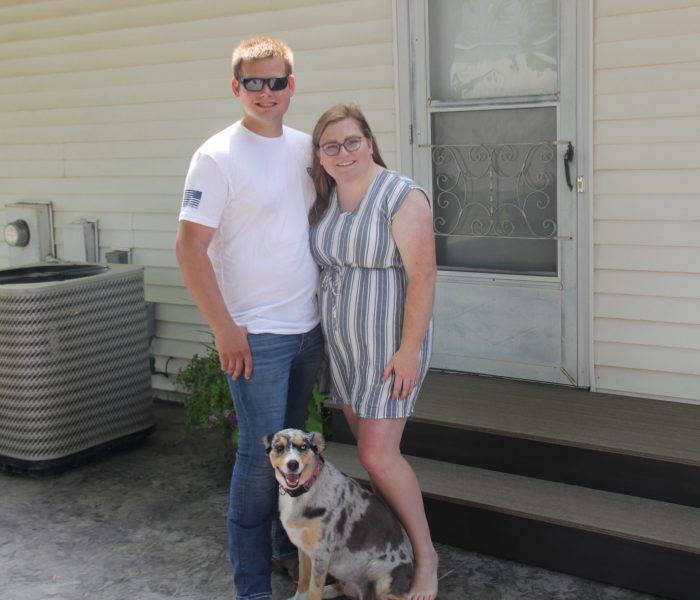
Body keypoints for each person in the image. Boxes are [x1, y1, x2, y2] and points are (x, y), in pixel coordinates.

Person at [175, 35, 323, 600]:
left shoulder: (308, 148)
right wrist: (224, 328)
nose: (267, 92)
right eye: (254, 82)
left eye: (277, 81)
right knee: (260, 461)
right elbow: (190, 249)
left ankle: (285, 549)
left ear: (291, 85)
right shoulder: (216, 156)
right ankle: (252, 587)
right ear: (236, 87)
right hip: (254, 335)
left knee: (293, 456)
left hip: (307, 329)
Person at [309, 103, 439, 600]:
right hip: (344, 349)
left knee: (377, 454)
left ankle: (426, 558)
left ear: (369, 141)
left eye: (351, 141)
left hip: (389, 347)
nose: (342, 153)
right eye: (330, 145)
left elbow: (423, 276)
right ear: (319, 156)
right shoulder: (326, 199)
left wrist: (409, 350)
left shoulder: (400, 195)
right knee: (373, 457)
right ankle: (392, 552)